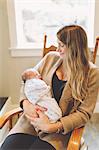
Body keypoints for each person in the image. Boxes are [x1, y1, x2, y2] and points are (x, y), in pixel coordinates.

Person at [1, 25, 99, 150]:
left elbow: (83, 113)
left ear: (75, 48)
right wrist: (25, 103)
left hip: (58, 132)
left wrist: (52, 127)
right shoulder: (50, 58)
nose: (58, 49)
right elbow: (27, 82)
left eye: (62, 45)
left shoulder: (92, 73)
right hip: (30, 124)